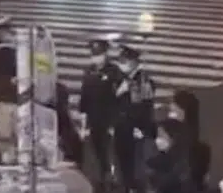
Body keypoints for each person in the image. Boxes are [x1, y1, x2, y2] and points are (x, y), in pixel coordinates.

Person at [112, 44, 156, 193]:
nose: (121, 64)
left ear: (134, 62)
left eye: (124, 61)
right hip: (122, 129)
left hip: (134, 132)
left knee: (134, 167)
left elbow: (142, 108)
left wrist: (140, 129)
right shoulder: (125, 79)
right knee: (124, 164)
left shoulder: (142, 81)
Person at [79, 37, 120, 185]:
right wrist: (83, 122)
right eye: (94, 54)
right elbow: (84, 96)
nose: (96, 57)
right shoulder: (89, 71)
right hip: (93, 117)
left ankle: (111, 176)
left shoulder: (113, 71)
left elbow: (119, 96)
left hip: (108, 118)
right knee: (96, 148)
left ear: (105, 54)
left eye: (99, 54)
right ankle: (101, 175)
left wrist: (115, 121)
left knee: (109, 149)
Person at [145, 118, 195, 193]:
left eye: (161, 136)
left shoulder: (181, 163)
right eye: (157, 136)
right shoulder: (154, 162)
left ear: (173, 137)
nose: (157, 140)